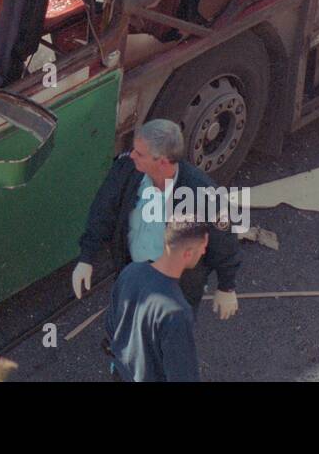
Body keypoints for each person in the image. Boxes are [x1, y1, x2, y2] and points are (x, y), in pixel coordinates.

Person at [73, 119, 241, 320]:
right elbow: (103, 210)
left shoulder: (203, 195)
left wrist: (226, 287)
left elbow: (224, 242)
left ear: (162, 161)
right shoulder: (126, 168)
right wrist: (87, 257)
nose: (132, 155)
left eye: (140, 154)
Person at [104, 219, 208, 381]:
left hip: (121, 373)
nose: (203, 252)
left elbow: (110, 323)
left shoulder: (131, 271)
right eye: (203, 248)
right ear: (187, 253)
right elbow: (182, 375)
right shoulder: (176, 312)